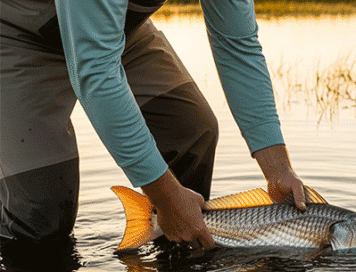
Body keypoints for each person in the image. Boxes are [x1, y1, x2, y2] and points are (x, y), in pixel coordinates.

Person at [0, 0, 306, 251]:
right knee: (40, 217)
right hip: (18, 34)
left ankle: (177, 247)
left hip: (116, 31)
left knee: (191, 132)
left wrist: (278, 169)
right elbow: (95, 71)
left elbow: (238, 46)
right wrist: (165, 197)